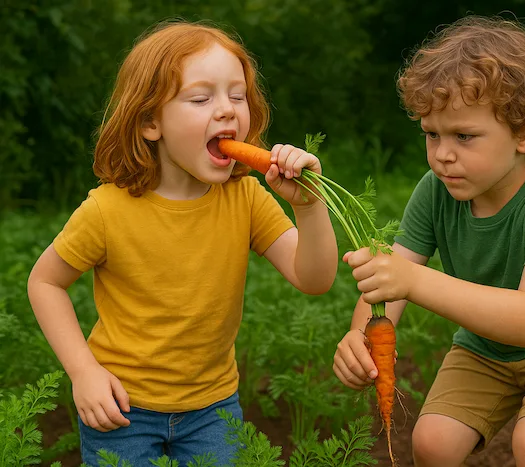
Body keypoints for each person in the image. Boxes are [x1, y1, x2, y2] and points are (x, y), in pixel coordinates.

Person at [27, 20, 338, 466]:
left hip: (213, 409)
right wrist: (84, 372)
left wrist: (309, 207)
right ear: (151, 122)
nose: (228, 109)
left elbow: (315, 279)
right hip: (121, 407)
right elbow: (44, 283)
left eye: (237, 95)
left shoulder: (245, 197)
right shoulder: (107, 211)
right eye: (201, 97)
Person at [333, 15, 525, 467]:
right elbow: (389, 278)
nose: (443, 154)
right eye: (432, 134)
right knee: (432, 442)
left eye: (464, 136)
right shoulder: (435, 189)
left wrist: (413, 280)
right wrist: (360, 335)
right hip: (486, 347)